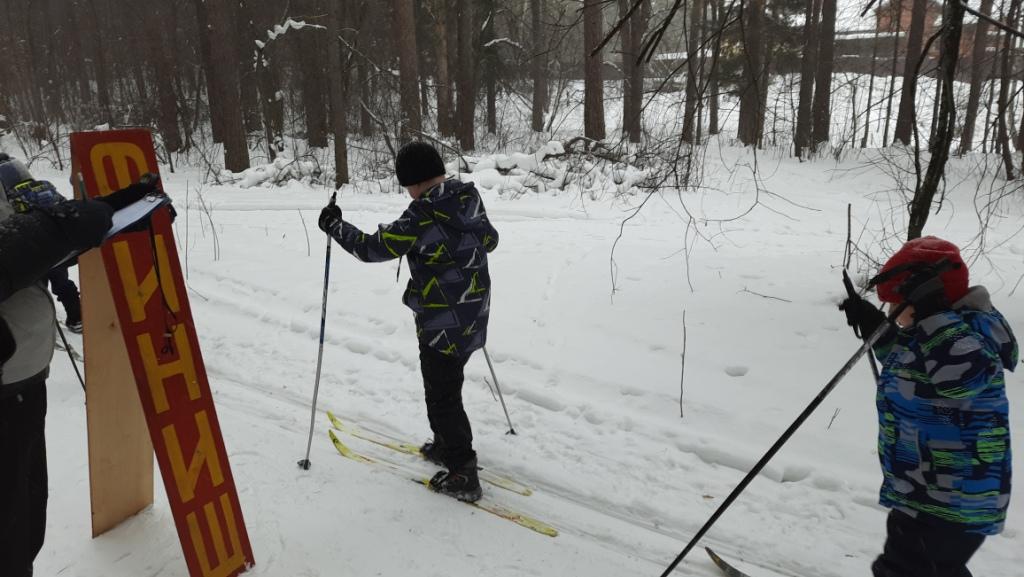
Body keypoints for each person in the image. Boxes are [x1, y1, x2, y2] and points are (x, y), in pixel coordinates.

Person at [0, 171, 162, 577]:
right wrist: (63, 224)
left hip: (24, 381)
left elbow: (34, 254)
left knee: (25, 523)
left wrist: (112, 213)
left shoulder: (6, 170)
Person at [318, 141, 499, 503]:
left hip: (442, 322)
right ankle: (446, 444)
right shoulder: (468, 198)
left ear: (415, 182)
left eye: (407, 187)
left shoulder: (422, 214)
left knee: (442, 395)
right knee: (447, 383)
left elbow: (371, 248)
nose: (408, 193)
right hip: (474, 311)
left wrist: (335, 226)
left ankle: (463, 470)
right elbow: (491, 241)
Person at [840, 236, 1017, 577]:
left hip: (954, 497)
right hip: (925, 489)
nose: (892, 314)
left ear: (929, 297)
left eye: (896, 306)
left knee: (906, 569)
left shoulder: (971, 333)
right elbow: (916, 369)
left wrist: (934, 316)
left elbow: (961, 376)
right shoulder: (935, 331)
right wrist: (879, 330)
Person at [0, 156, 84, 333]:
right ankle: (77, 317)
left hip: (30, 247)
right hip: (57, 242)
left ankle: (42, 320)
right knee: (62, 282)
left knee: (36, 285)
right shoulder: (37, 184)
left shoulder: (5, 187)